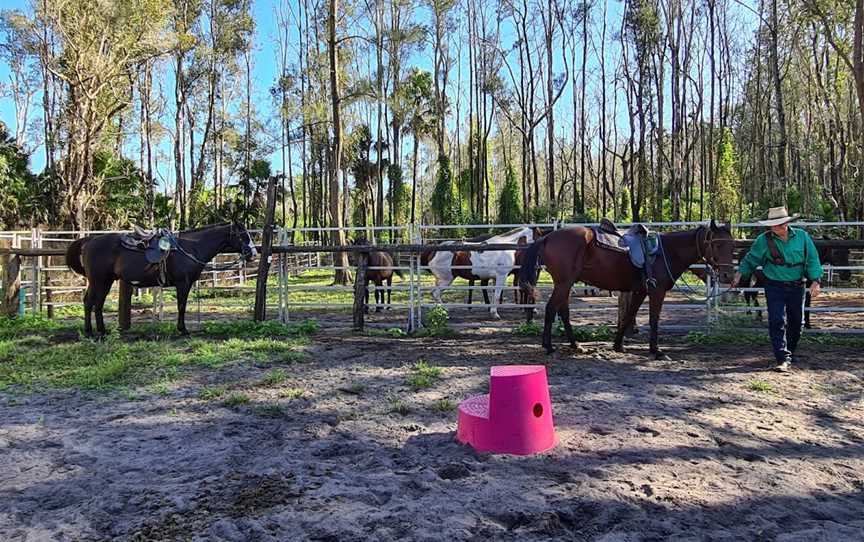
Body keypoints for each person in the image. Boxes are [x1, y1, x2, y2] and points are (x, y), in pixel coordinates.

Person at [731, 206, 822, 372]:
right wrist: (739, 275)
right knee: (776, 320)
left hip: (797, 285)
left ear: (787, 222)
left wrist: (816, 280)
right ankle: (782, 357)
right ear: (770, 226)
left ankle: (789, 352)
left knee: (797, 322)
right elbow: (751, 259)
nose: (780, 226)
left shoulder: (802, 237)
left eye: (782, 223)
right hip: (774, 285)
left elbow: (812, 259)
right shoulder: (763, 241)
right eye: (776, 224)